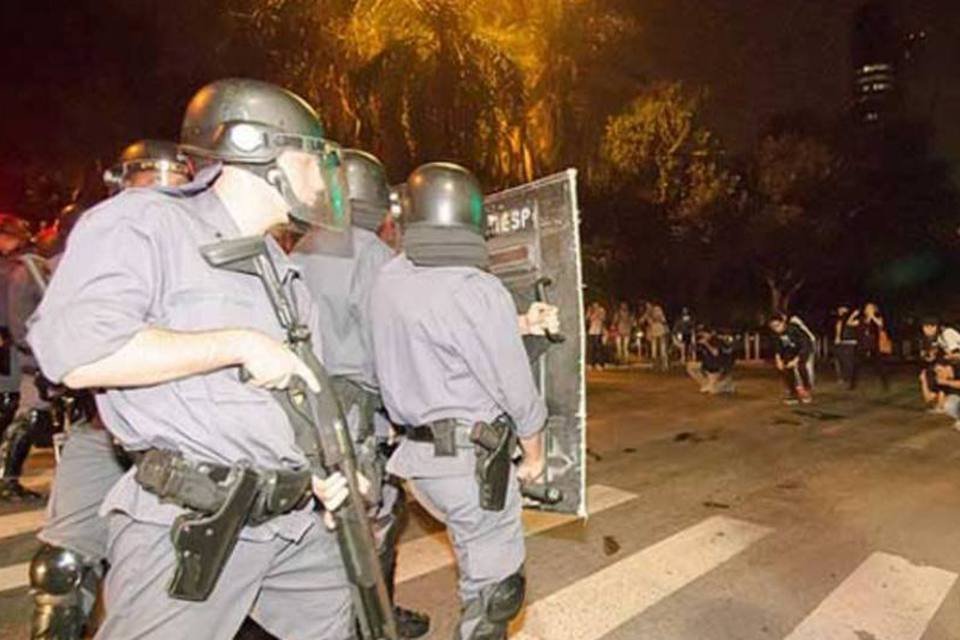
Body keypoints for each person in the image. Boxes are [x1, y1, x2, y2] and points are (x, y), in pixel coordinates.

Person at [27, 78, 359, 639]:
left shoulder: (282, 271)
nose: (321, 174)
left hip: (295, 525)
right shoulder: (145, 223)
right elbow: (76, 354)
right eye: (310, 154)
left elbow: (292, 394)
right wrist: (238, 343)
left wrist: (325, 471)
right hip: (197, 524)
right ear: (259, 148)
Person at [370, 162, 548, 640]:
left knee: (473, 563)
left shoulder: (389, 279)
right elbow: (516, 389)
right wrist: (534, 453)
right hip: (470, 465)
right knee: (495, 595)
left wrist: (518, 323)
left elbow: (438, 329)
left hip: (416, 462)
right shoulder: (478, 287)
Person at [22, 144, 191, 639]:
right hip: (104, 434)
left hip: (194, 444)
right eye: (146, 179)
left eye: (174, 177)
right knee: (61, 570)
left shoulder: (219, 247)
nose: (158, 191)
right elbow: (57, 341)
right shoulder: (99, 243)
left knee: (222, 581)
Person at [290, 148, 429, 638]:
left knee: (311, 521)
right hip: (355, 414)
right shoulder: (372, 255)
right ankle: (373, 621)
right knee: (378, 518)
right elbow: (386, 345)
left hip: (298, 408)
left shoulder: (299, 247)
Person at [0, 214, 32, 446]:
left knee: (9, 396)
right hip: (15, 338)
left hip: (10, 339)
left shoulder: (14, 267)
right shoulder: (30, 262)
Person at [770, 313, 816, 404]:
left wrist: (797, 359)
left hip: (804, 349)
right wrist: (778, 360)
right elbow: (777, 347)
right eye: (773, 327)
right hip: (790, 351)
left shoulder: (794, 329)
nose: (776, 329)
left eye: (777, 325)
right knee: (786, 368)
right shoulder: (775, 334)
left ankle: (806, 390)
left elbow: (805, 345)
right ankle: (793, 392)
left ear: (783, 323)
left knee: (801, 367)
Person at [850, 302, 890, 391]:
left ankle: (885, 384)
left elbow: (880, 324)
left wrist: (872, 316)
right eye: (867, 308)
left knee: (880, 365)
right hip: (862, 344)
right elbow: (850, 323)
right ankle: (852, 385)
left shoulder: (877, 318)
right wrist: (853, 315)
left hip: (873, 345)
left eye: (870, 308)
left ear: (874, 309)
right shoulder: (861, 319)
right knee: (856, 365)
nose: (868, 309)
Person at [686, 327, 736, 395]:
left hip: (718, 368)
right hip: (708, 367)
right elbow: (695, 349)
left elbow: (715, 353)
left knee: (714, 391)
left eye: (704, 333)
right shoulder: (704, 341)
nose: (702, 335)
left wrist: (706, 344)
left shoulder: (715, 340)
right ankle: (707, 384)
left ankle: (726, 385)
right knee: (690, 367)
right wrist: (694, 346)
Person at [833, 305, 858, 387]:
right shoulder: (840, 320)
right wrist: (837, 337)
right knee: (841, 361)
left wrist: (853, 315)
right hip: (842, 342)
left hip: (850, 342)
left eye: (842, 309)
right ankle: (844, 378)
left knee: (849, 361)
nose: (840, 311)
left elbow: (850, 323)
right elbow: (838, 327)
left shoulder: (853, 319)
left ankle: (850, 379)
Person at [644, 302, 669, 371]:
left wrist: (652, 317)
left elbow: (661, 319)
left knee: (662, 349)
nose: (647, 307)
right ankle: (655, 365)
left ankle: (664, 365)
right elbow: (643, 320)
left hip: (660, 331)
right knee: (654, 349)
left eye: (648, 305)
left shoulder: (657, 309)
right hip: (653, 332)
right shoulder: (647, 314)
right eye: (646, 306)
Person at [586, 301, 606, 370]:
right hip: (591, 331)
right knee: (591, 349)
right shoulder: (591, 310)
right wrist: (590, 311)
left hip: (599, 331)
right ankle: (590, 364)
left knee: (599, 349)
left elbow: (603, 318)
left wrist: (597, 313)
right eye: (594, 304)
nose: (595, 305)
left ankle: (599, 364)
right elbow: (588, 318)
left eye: (596, 304)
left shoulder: (601, 310)